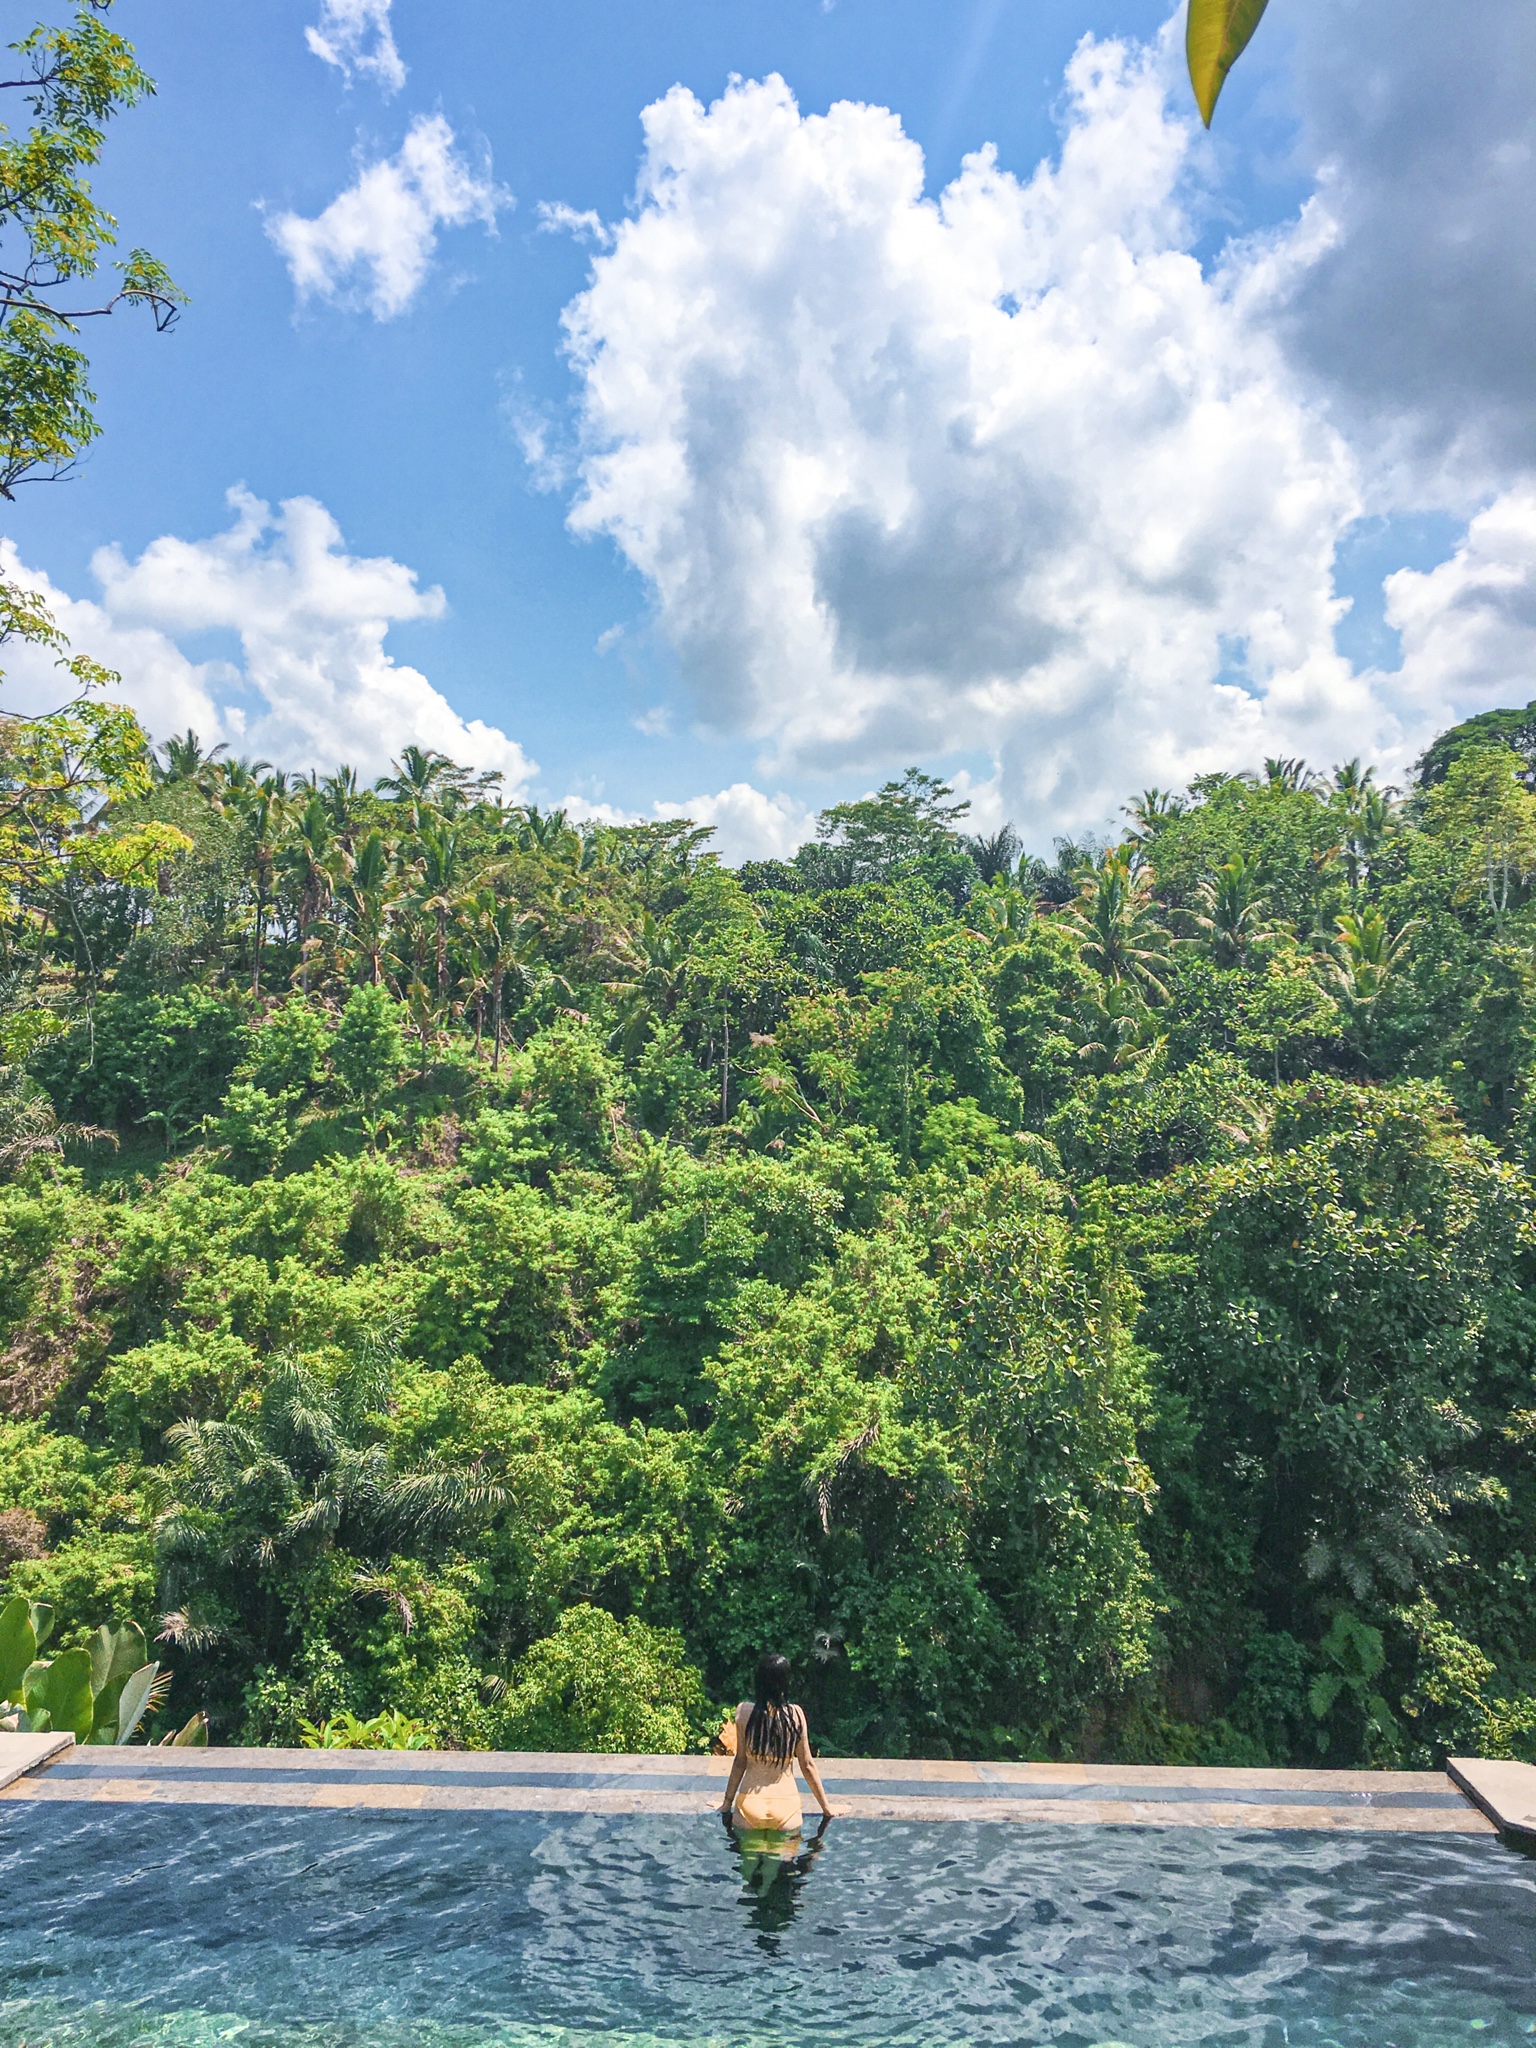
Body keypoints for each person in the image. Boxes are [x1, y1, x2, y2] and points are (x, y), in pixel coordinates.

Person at [719, 1652, 837, 1836]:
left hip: (750, 1807)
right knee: (785, 1860)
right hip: (786, 1809)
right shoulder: (796, 1715)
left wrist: (726, 1803)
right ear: (785, 1682)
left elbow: (739, 1762)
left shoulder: (743, 1712)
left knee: (747, 1863)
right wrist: (827, 1808)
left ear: (758, 1680)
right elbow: (807, 1765)